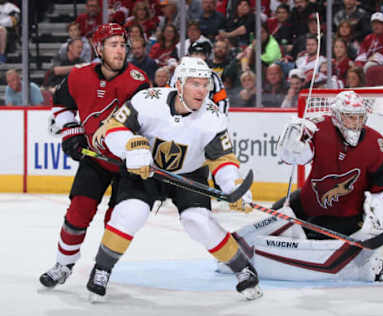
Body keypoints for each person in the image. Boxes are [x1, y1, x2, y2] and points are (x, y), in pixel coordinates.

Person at [85, 56, 262, 301]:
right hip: (144, 170)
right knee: (131, 212)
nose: (202, 91)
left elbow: (223, 159)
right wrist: (131, 148)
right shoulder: (147, 101)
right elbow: (114, 127)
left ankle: (242, 267)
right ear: (178, 84)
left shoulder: (213, 118)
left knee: (197, 220)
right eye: (195, 84)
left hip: (189, 174)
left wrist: (232, 185)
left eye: (205, 85)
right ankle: (101, 269)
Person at [220, 90, 383, 282]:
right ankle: (236, 253)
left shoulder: (378, 145)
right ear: (336, 116)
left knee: (316, 246)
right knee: (276, 215)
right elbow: (294, 157)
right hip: (306, 204)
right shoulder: (318, 128)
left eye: (359, 117)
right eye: (349, 117)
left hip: (343, 218)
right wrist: (291, 143)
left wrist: (377, 217)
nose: (355, 122)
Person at [39, 23, 150, 289]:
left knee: (118, 222)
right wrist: (71, 132)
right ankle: (63, 265)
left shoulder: (138, 81)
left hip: (126, 165)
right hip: (95, 159)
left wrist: (141, 156)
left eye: (123, 45)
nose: (120, 50)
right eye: (113, 45)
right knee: (77, 213)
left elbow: (148, 123)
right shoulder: (79, 77)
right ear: (99, 48)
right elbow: (61, 105)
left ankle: (103, 268)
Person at [169, 41, 230, 114]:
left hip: (204, 116)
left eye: (201, 54)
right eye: (195, 54)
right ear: (190, 55)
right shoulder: (178, 74)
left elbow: (222, 100)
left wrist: (221, 119)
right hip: (180, 116)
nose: (197, 57)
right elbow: (169, 96)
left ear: (206, 56)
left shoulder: (212, 76)